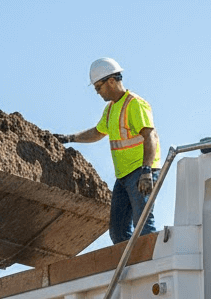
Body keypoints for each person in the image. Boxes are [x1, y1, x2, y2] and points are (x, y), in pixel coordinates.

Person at [55, 57, 161, 245]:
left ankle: (154, 265)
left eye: (98, 87)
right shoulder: (111, 109)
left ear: (111, 80)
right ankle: (130, 267)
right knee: (118, 231)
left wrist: (146, 171)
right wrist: (69, 138)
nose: (97, 92)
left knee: (143, 224)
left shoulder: (134, 104)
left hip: (140, 172)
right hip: (123, 177)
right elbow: (97, 132)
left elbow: (150, 136)